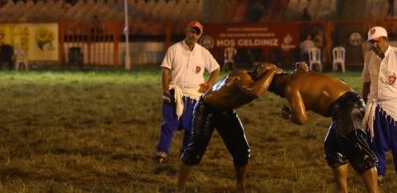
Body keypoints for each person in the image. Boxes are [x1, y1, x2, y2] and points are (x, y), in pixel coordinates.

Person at [266, 64, 379, 193]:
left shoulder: (290, 86)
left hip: (347, 106)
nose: (283, 96)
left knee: (359, 152)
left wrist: (289, 115)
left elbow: (301, 118)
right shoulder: (298, 74)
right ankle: (342, 190)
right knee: (332, 148)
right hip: (345, 106)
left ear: (278, 85)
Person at [177, 63, 285, 192]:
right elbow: (254, 92)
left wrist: (300, 72)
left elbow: (286, 85)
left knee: (242, 151)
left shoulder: (262, 83)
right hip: (206, 108)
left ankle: (240, 186)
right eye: (269, 75)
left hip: (225, 110)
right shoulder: (241, 77)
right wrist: (272, 72)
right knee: (195, 150)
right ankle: (179, 189)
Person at [156, 21, 220, 164]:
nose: (193, 35)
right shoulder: (174, 49)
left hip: (194, 96)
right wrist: (165, 91)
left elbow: (215, 69)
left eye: (197, 33)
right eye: (191, 31)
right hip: (175, 92)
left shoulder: (203, 53)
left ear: (200, 35)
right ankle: (162, 151)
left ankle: (185, 154)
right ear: (186, 31)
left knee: (191, 127)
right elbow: (165, 71)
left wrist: (209, 84)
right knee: (168, 124)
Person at [362, 26, 397, 182]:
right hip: (374, 105)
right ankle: (379, 172)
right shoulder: (370, 56)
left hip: (393, 106)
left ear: (385, 39)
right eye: (371, 42)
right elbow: (366, 82)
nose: (374, 45)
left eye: (376, 41)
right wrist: (364, 103)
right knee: (374, 140)